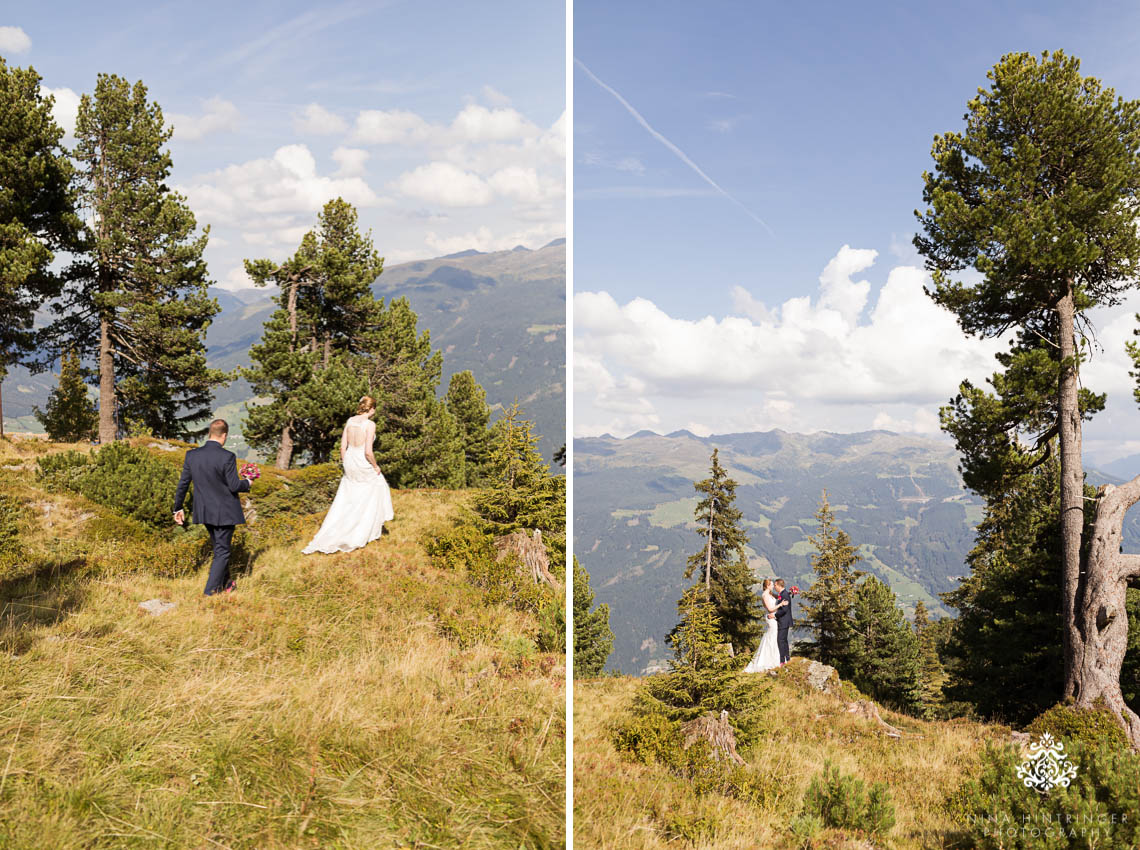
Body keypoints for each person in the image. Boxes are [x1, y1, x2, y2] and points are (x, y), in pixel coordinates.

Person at [302, 395, 395, 554]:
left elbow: (342, 447)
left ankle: (341, 526)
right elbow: (368, 452)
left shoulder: (350, 421)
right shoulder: (370, 424)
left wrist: (346, 462)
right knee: (375, 488)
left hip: (350, 459)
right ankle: (363, 529)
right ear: (371, 409)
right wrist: (375, 466)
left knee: (350, 495)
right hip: (361, 460)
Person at [173, 418, 252, 595]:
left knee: (218, 549)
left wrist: (177, 508)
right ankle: (210, 592)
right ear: (224, 435)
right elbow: (233, 485)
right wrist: (247, 482)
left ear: (210, 433)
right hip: (225, 512)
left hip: (205, 512)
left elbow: (183, 484)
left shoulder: (192, 456)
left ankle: (227, 584)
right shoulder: (227, 457)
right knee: (223, 552)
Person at [744, 578, 787, 673]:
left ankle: (775, 658)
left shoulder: (770, 594)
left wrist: (789, 594)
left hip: (774, 617)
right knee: (772, 636)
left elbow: (780, 596)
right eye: (772, 585)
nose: (773, 586)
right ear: (767, 586)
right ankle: (770, 660)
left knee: (774, 636)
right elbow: (770, 609)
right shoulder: (765, 595)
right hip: (771, 618)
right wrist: (780, 605)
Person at [774, 578, 793, 664]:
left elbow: (784, 610)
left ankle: (783, 661)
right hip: (783, 621)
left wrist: (774, 615)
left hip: (784, 621)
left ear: (779, 585)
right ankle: (787, 659)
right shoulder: (783, 594)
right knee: (783, 640)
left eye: (775, 585)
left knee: (780, 640)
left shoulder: (784, 595)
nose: (774, 587)